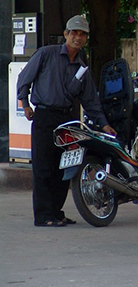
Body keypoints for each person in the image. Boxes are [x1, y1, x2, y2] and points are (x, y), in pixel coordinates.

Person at [17, 15, 117, 227]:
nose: (77, 38)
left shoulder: (82, 67)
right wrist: (25, 104)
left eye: (82, 34)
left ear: (86, 38)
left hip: (67, 119)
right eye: (74, 33)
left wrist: (104, 123)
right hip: (44, 116)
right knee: (43, 167)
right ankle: (44, 216)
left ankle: (56, 213)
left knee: (63, 167)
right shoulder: (46, 54)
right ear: (66, 34)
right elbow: (24, 78)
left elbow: (90, 100)